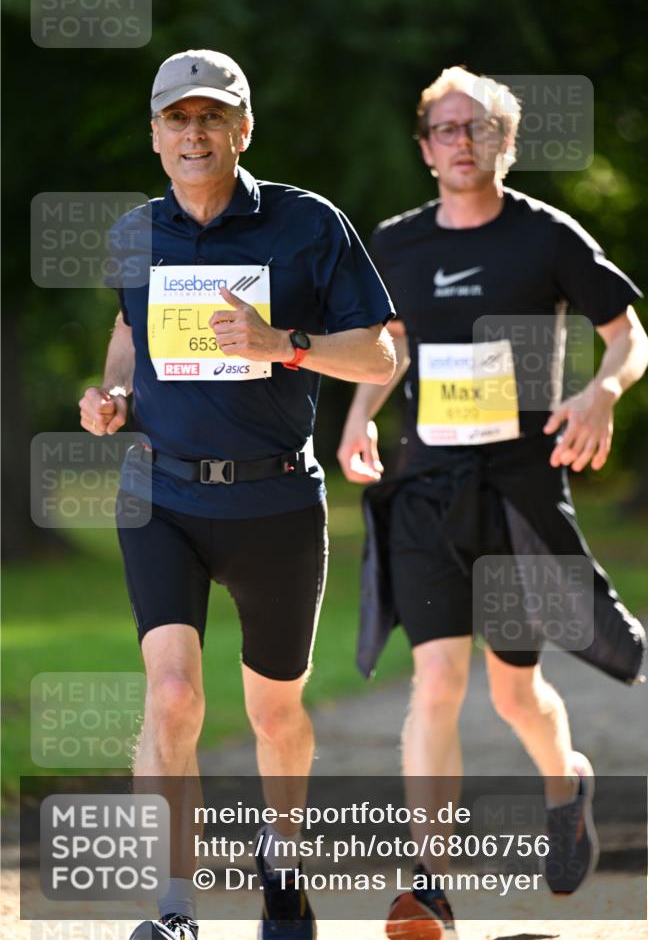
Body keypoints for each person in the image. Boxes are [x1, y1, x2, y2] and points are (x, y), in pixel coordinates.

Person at [79, 48, 396, 940]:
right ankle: (174, 911)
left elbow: (378, 353)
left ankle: (283, 867)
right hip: (162, 495)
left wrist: (282, 345)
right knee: (173, 696)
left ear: (242, 128)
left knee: (273, 710)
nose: (194, 132)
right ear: (154, 135)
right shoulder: (136, 232)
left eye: (211, 116)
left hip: (275, 503)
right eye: (177, 119)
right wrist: (112, 397)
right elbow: (125, 330)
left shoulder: (308, 225)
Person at [337, 65, 648, 938]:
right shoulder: (395, 246)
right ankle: (426, 881)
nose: (461, 143)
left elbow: (627, 335)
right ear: (426, 147)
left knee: (515, 693)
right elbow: (384, 348)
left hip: (513, 491)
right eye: (445, 129)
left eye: (478, 129)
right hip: (424, 491)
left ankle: (566, 782)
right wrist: (360, 418)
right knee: (434, 680)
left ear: (505, 144)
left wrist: (601, 394)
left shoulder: (545, 237)